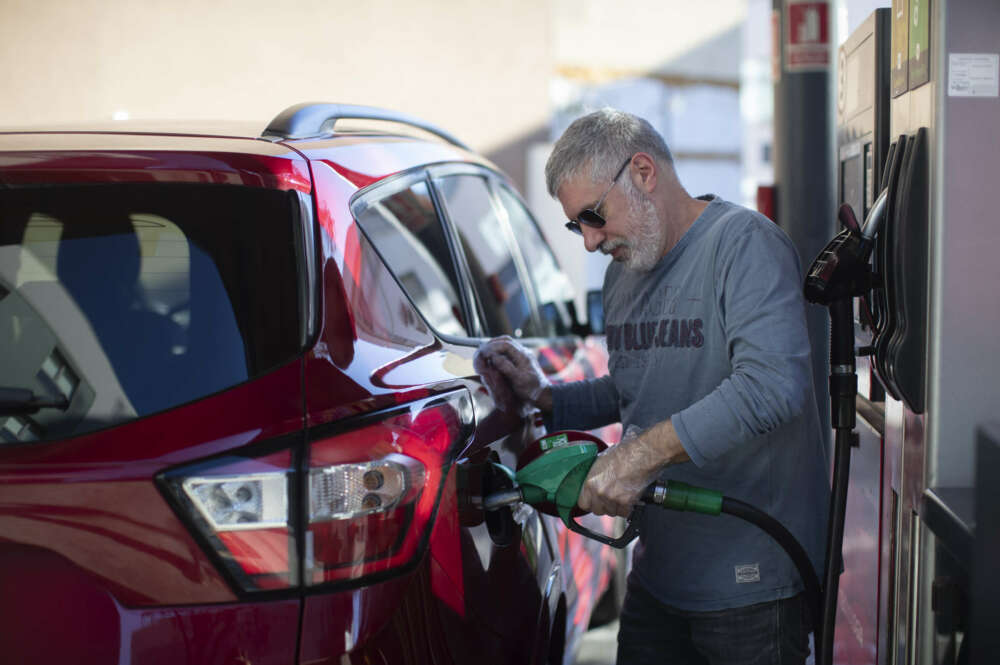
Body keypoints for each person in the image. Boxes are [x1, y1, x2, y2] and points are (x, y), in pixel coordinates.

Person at [476, 109, 829, 665]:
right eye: (577, 226)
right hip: (658, 577)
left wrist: (638, 456)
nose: (590, 242)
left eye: (594, 215)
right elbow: (637, 388)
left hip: (751, 587)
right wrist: (547, 397)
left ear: (642, 172)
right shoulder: (623, 275)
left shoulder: (743, 247)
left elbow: (772, 385)